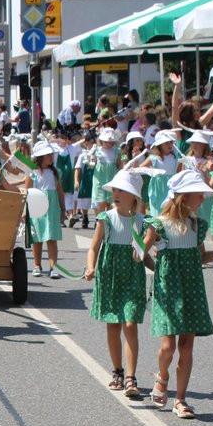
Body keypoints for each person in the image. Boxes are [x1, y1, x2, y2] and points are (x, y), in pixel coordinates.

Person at [142, 170, 213, 419]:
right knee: (168, 347)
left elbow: (201, 257)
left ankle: (180, 399)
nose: (202, 199)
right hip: (168, 289)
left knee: (187, 345)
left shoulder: (196, 225)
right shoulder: (158, 224)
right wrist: (148, 256)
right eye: (198, 194)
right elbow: (138, 254)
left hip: (192, 287)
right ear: (183, 197)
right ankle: (162, 376)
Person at [84, 170, 153, 398]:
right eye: (115, 190)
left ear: (134, 196)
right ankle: (118, 371)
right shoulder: (106, 218)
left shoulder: (142, 221)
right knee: (113, 325)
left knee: (130, 324)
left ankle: (131, 377)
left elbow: (144, 254)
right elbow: (93, 247)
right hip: (110, 276)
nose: (116, 194)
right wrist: (90, 266)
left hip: (133, 277)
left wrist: (159, 270)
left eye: (122, 190)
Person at [26, 141, 67, 279]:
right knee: (37, 238)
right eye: (48, 155)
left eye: (51, 155)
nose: (51, 158)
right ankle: (37, 265)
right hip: (36, 206)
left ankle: (53, 267)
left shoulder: (55, 173)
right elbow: (27, 191)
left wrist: (63, 208)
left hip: (52, 209)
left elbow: (60, 191)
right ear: (40, 157)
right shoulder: (32, 173)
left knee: (51, 237)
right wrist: (25, 211)